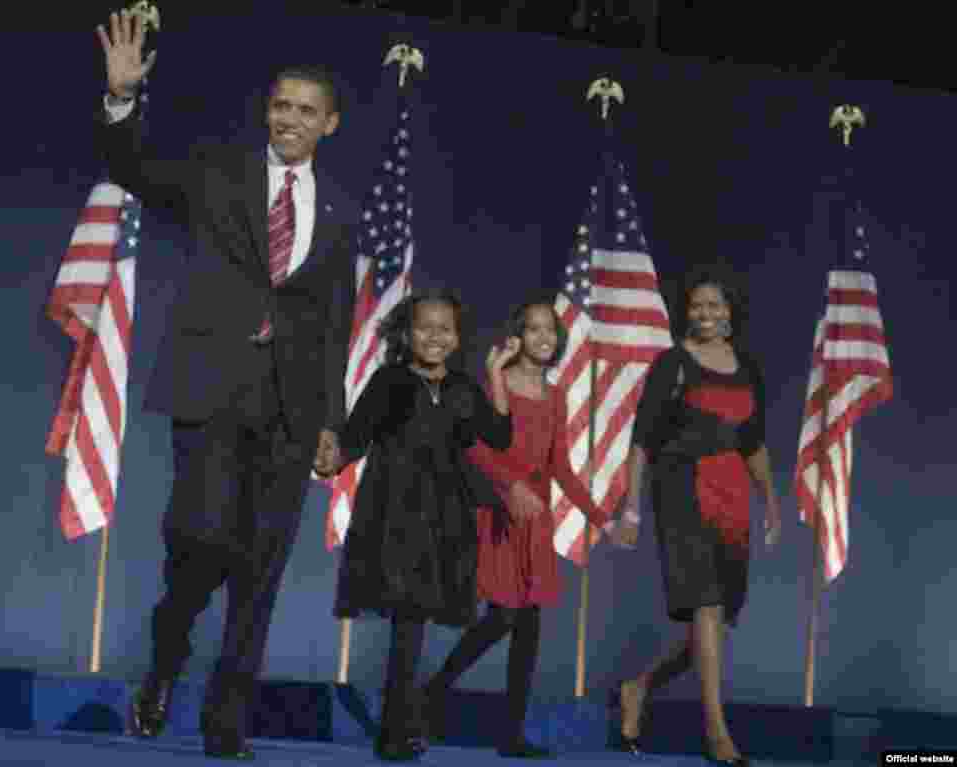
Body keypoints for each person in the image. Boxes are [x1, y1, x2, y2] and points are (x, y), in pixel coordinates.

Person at [95, 11, 355, 759]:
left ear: (330, 124)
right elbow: (132, 169)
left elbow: (336, 325)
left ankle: (225, 721)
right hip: (210, 391)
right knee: (202, 541)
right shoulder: (218, 174)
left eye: (307, 110)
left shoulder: (339, 217)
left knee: (260, 569)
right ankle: (166, 655)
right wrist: (121, 101)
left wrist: (332, 421)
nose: (291, 119)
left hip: (291, 410)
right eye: (281, 105)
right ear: (266, 112)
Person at [420, 297, 632, 758]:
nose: (543, 337)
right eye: (533, 329)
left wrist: (603, 522)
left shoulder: (555, 396)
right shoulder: (496, 385)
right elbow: (475, 448)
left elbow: (562, 469)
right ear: (518, 336)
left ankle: (511, 735)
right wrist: (510, 485)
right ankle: (433, 693)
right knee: (502, 616)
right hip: (499, 512)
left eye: (549, 330)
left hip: (536, 520)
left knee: (528, 627)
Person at [326, 289, 517, 762]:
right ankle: (395, 732)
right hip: (393, 516)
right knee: (407, 621)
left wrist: (495, 374)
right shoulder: (389, 381)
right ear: (406, 334)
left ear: (457, 337)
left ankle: (400, 723)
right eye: (424, 327)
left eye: (445, 328)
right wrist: (330, 457)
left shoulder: (463, 388)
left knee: (415, 624)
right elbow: (355, 437)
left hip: (446, 519)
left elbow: (499, 434)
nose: (435, 336)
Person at [609, 265, 782, 767]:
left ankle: (639, 687)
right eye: (697, 305)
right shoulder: (673, 363)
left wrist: (769, 499)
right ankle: (716, 733)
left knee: (716, 623)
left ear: (730, 312)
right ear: (687, 311)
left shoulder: (748, 368)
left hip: (733, 494)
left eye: (715, 305)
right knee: (705, 607)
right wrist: (633, 509)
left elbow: (752, 442)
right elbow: (641, 442)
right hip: (682, 491)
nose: (705, 313)